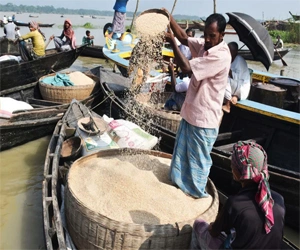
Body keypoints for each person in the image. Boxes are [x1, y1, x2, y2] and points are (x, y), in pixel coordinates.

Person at [164, 11, 231, 198]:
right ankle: (179, 188)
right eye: (206, 35)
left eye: (212, 36)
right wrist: (169, 17)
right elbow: (185, 38)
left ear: (221, 36)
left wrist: (171, 43)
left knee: (198, 163)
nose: (208, 40)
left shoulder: (221, 56)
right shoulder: (205, 45)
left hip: (204, 118)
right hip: (191, 112)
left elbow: (186, 67)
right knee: (182, 156)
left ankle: (196, 196)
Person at [190, 141, 285, 249]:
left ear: (238, 173)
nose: (231, 167)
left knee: (199, 225)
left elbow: (213, 232)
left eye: (232, 165)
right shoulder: (278, 199)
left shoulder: (235, 204)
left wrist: (212, 225)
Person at [222, 42, 251, 113]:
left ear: (234, 51)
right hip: (235, 86)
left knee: (225, 79)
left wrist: (228, 70)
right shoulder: (230, 59)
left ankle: (228, 104)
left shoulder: (239, 60)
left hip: (242, 88)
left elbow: (236, 78)